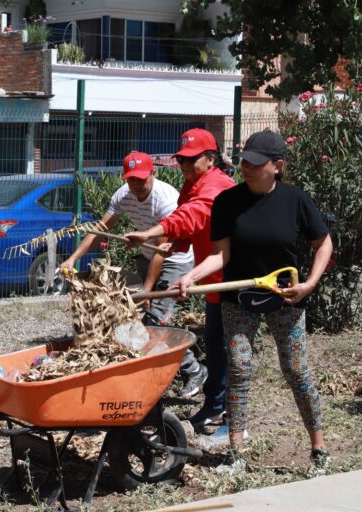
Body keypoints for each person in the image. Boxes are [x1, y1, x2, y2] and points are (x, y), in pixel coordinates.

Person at [175, 130, 332, 473]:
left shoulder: (296, 200)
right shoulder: (227, 202)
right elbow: (220, 255)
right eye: (244, 160)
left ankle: (319, 449)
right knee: (240, 368)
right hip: (238, 299)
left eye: (256, 163)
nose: (246, 167)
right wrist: (192, 276)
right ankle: (236, 453)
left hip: (286, 297)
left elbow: (323, 243)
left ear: (277, 166)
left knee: (295, 370)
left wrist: (309, 284)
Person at [60, 151, 205, 397]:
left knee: (155, 321)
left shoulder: (165, 199)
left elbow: (162, 251)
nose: (136, 185)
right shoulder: (123, 196)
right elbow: (101, 231)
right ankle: (156, 374)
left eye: (141, 179)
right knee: (133, 320)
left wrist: (147, 290)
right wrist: (73, 258)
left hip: (175, 260)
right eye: (131, 180)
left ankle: (194, 370)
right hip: (148, 257)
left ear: (153, 173)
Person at [124, 128, 235, 428]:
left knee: (228, 349)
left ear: (210, 159)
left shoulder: (218, 186)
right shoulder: (193, 183)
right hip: (211, 278)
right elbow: (188, 226)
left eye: (191, 160)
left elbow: (192, 215)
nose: (185, 166)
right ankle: (214, 404)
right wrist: (176, 244)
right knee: (214, 345)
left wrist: (149, 232)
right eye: (182, 161)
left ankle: (230, 414)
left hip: (230, 278)